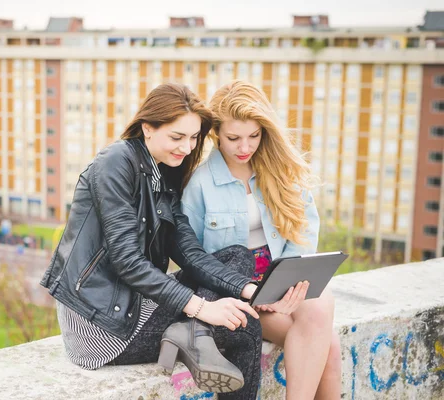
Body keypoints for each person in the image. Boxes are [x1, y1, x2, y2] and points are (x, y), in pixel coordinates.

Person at [40, 83, 265, 399]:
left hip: (136, 302)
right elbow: (127, 261)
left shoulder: (164, 176)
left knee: (236, 256)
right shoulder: (115, 163)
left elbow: (190, 254)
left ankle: (194, 332)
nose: (186, 148)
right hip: (102, 325)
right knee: (245, 328)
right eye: (177, 137)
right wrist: (202, 308)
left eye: (193, 138)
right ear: (147, 128)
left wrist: (253, 290)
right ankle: (195, 331)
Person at [181, 80, 342, 400]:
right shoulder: (200, 185)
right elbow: (192, 259)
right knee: (329, 345)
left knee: (323, 312)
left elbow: (304, 231)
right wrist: (247, 289)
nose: (245, 147)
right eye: (234, 138)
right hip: (236, 298)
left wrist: (287, 284)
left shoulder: (281, 172)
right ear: (216, 134)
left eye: (254, 136)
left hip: (280, 288)